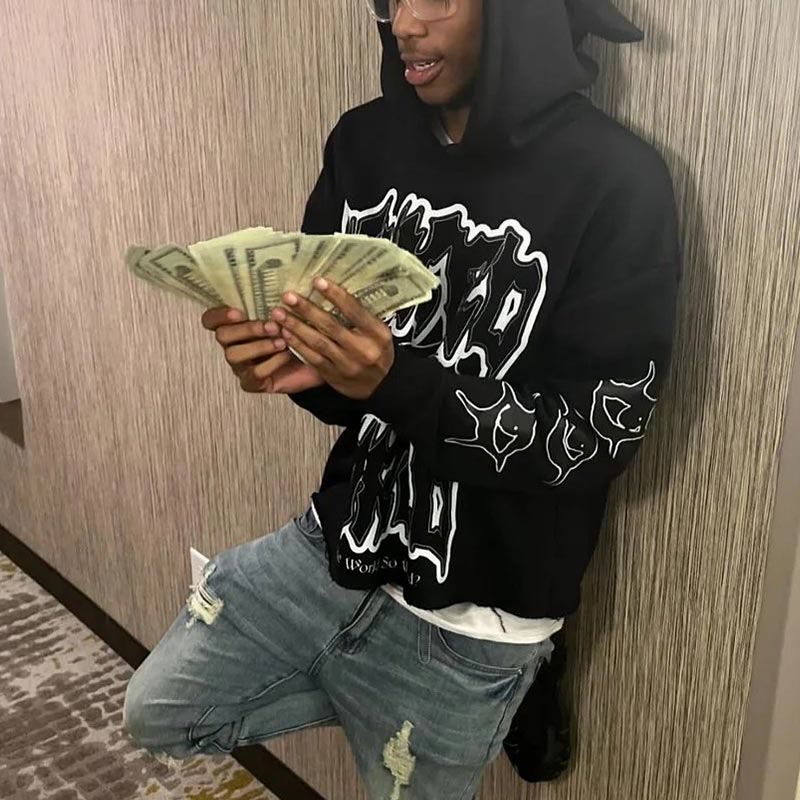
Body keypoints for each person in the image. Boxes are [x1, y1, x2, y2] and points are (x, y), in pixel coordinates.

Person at [123, 0, 681, 797]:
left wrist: (394, 380)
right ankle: (410, 695)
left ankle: (512, 684)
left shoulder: (618, 180)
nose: (406, 24)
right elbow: (345, 392)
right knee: (156, 712)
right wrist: (296, 367)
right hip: (342, 538)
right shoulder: (363, 142)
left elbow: (592, 441)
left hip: (482, 608)